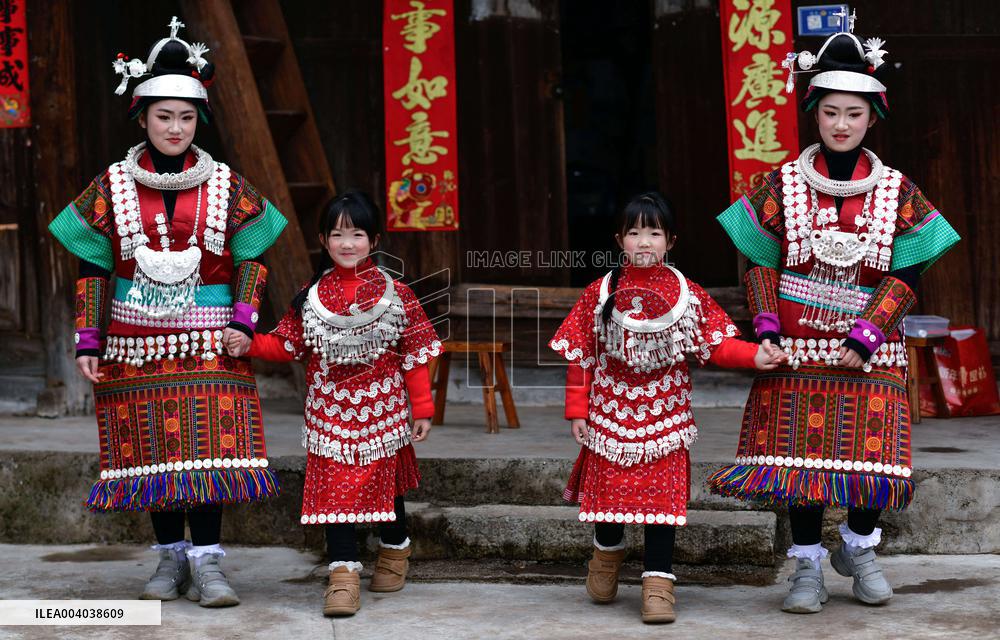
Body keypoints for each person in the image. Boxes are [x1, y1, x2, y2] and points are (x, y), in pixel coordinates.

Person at [709, 20, 960, 613]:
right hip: (796, 347)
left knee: (870, 461)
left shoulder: (899, 190)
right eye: (829, 113)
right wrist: (765, 329)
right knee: (803, 466)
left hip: (871, 347)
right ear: (813, 115)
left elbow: (909, 270)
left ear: (873, 117)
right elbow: (760, 263)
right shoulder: (781, 184)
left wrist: (869, 333)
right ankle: (806, 571)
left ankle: (859, 548)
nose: (841, 124)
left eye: (853, 113)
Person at [47, 17, 288, 607]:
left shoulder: (228, 184)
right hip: (135, 337)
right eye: (163, 116)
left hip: (212, 340)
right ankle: (168, 560)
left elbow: (253, 259)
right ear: (142, 117)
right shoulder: (111, 184)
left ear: (198, 119)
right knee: (151, 445)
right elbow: (93, 267)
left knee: (210, 447)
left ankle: (208, 565)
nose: (175, 127)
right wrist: (87, 338)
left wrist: (244, 322)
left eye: (185, 116)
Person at [549, 191, 785, 623]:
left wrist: (754, 355)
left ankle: (658, 585)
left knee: (661, 506)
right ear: (619, 239)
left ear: (671, 241)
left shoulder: (686, 294)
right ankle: (606, 556)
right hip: (609, 417)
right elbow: (580, 356)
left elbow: (714, 344)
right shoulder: (598, 293)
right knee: (610, 501)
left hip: (666, 419)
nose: (644, 242)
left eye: (653, 232)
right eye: (634, 232)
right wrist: (577, 411)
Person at [238, 190, 441, 617]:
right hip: (329, 414)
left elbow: (416, 355)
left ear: (375, 239)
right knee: (334, 493)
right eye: (337, 234)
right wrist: (249, 343)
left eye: (357, 234)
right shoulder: (309, 296)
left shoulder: (398, 294)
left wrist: (421, 408)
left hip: (383, 412)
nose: (347, 243)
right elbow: (288, 344)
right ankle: (343, 574)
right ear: (323, 240)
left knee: (385, 489)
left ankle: (394, 549)